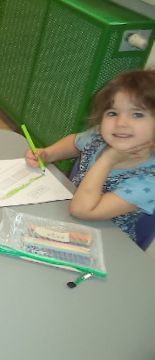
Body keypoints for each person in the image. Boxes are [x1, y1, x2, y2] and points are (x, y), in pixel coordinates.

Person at [25, 69, 155, 243]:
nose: (121, 123)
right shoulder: (99, 137)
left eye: (137, 114)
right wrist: (48, 153)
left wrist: (107, 160)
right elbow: (74, 142)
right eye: (113, 113)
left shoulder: (148, 181)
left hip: (103, 242)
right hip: (67, 215)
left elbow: (83, 210)